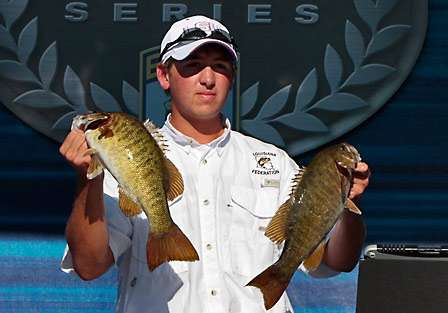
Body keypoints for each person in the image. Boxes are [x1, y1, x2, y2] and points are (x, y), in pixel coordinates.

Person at [60, 15, 370, 313]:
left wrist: (346, 202)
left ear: (232, 78)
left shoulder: (277, 163)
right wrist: (87, 180)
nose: (207, 79)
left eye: (220, 67)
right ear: (164, 76)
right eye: (192, 66)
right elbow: (89, 266)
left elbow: (337, 261)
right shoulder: (122, 157)